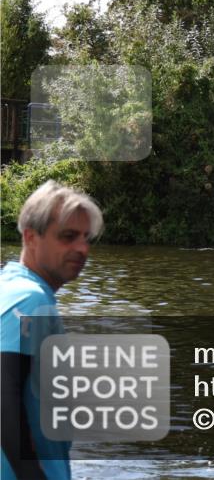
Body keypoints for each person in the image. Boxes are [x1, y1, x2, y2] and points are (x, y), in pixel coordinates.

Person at [1, 180, 104, 480]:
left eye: (86, 238)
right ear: (31, 237)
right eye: (68, 237)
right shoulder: (28, 299)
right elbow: (3, 396)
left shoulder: (11, 286)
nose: (82, 248)